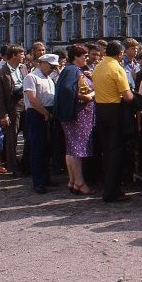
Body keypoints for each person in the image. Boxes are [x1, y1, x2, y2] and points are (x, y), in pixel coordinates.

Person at [93, 40, 134, 202]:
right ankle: (112, 191)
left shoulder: (99, 66)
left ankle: (109, 187)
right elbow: (128, 96)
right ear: (119, 54)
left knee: (107, 151)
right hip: (114, 111)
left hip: (101, 109)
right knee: (116, 151)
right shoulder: (117, 68)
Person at [57, 47, 96, 195]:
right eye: (83, 57)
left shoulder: (70, 69)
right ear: (75, 57)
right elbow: (68, 90)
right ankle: (79, 182)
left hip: (75, 114)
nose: (85, 59)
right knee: (78, 150)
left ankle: (73, 181)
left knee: (71, 149)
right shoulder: (73, 70)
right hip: (78, 115)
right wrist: (85, 97)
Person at [23, 53, 59, 194]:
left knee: (47, 147)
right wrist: (44, 112)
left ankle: (46, 177)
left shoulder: (48, 78)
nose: (52, 70)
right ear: (43, 63)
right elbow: (32, 99)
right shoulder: (31, 77)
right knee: (37, 148)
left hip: (48, 111)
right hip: (36, 113)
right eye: (51, 67)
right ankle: (38, 181)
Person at [0, 45, 28, 177]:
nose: (24, 56)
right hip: (11, 107)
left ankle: (26, 163)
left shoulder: (23, 68)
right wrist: (3, 115)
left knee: (28, 137)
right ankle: (13, 167)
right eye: (22, 53)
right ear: (14, 55)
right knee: (11, 138)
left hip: (25, 104)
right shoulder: (0, 73)